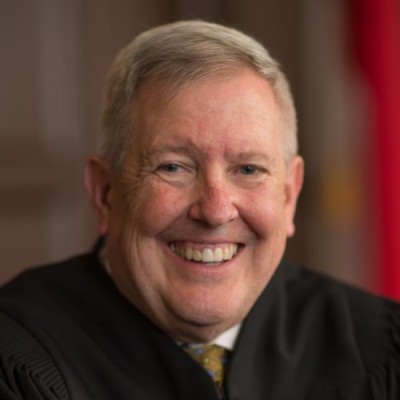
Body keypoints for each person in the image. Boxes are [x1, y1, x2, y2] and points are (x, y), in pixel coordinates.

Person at [0, 20, 399, 400]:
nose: (215, 211)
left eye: (248, 169)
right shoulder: (17, 356)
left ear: (289, 195)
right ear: (106, 193)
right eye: (173, 167)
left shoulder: (378, 350)